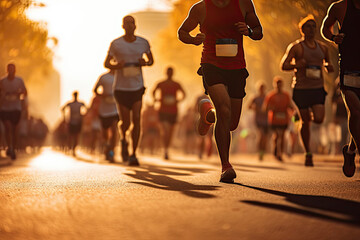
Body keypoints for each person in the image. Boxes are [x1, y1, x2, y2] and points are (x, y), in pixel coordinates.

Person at [178, 0, 263, 183]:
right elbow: (182, 32)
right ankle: (226, 166)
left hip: (237, 67)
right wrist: (193, 40)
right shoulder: (201, 8)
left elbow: (259, 32)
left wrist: (248, 31)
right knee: (224, 111)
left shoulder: (243, 4)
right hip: (211, 64)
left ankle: (208, 114)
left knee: (231, 123)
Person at [280, 15, 334, 167]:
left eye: (313, 26)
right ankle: (308, 153)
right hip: (301, 89)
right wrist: (297, 65)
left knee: (318, 118)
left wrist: (329, 67)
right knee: (306, 122)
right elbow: (283, 65)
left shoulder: (323, 47)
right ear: (302, 30)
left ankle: (304, 114)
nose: (311, 29)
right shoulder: (296, 47)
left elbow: (329, 64)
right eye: (308, 26)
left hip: (317, 88)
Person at [104, 15, 154, 166]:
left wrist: (144, 62)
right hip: (121, 88)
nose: (129, 25)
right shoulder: (116, 44)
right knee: (125, 122)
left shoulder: (143, 43)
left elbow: (151, 61)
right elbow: (106, 63)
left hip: (137, 87)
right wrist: (117, 66)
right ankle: (123, 138)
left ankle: (133, 154)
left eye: (132, 23)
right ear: (122, 26)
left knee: (137, 119)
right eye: (127, 23)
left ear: (135, 25)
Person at [321, 0, 360, 177]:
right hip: (349, 69)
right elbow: (325, 28)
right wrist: (333, 38)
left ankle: (351, 151)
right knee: (356, 112)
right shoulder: (340, 7)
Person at [153, 67, 186, 160]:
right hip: (163, 110)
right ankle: (165, 149)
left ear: (173, 73)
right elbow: (153, 91)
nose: (169, 74)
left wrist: (177, 100)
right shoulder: (161, 83)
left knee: (170, 132)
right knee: (165, 130)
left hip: (173, 111)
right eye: (168, 72)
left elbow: (184, 94)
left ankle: (167, 149)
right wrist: (156, 99)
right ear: (166, 73)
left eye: (171, 72)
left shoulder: (176, 84)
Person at [0, 63, 27, 160]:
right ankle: (9, 147)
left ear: (15, 70)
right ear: (7, 70)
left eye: (13, 69)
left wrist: (19, 93)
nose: (11, 71)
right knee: (7, 127)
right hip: (5, 108)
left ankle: (13, 149)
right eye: (9, 69)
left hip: (16, 108)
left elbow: (25, 92)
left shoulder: (19, 81)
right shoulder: (2, 81)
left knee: (15, 129)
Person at [263, 77, 293, 162]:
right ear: (274, 85)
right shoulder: (271, 96)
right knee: (276, 136)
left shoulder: (286, 95)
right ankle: (276, 149)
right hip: (274, 119)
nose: (279, 86)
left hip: (284, 119)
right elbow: (265, 108)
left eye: (280, 84)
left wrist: (294, 111)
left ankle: (280, 153)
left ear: (282, 85)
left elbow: (290, 105)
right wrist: (272, 107)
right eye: (277, 84)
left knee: (282, 135)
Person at [93, 70, 119, 162]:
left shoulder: (120, 76)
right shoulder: (103, 77)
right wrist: (102, 95)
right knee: (105, 133)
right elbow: (95, 90)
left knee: (114, 130)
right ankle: (107, 146)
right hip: (104, 110)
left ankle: (111, 153)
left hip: (116, 108)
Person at [61, 91, 86, 157]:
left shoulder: (80, 103)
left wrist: (83, 116)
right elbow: (62, 108)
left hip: (78, 121)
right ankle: (70, 147)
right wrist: (64, 117)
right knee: (71, 136)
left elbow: (86, 108)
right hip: (71, 121)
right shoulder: (70, 104)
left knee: (76, 136)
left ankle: (74, 149)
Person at [249, 82, 268, 160]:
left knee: (265, 138)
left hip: (267, 120)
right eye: (260, 88)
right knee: (261, 135)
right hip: (258, 120)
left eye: (263, 88)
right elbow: (249, 106)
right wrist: (256, 109)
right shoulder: (255, 98)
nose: (262, 90)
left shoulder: (267, 97)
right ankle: (260, 152)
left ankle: (262, 151)